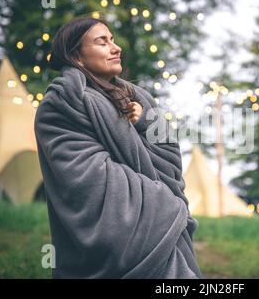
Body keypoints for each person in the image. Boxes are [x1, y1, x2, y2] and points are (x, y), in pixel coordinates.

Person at [34, 17, 203, 279]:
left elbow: (169, 157)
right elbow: (87, 180)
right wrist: (163, 202)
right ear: (76, 57)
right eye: (102, 42)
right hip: (128, 233)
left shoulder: (136, 99)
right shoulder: (61, 104)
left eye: (112, 39)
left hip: (159, 221)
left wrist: (145, 121)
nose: (116, 47)